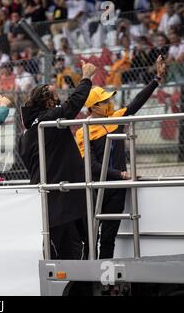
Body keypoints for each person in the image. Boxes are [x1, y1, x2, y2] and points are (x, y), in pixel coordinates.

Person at [75, 56, 166, 259]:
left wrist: (156, 79)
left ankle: (106, 285)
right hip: (95, 188)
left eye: (109, 99)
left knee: (108, 238)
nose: (110, 103)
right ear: (93, 108)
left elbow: (136, 103)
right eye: (105, 101)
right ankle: (89, 281)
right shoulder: (83, 130)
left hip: (116, 188)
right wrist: (122, 174)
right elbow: (91, 166)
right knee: (91, 239)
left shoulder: (115, 118)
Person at [18, 61, 97, 260]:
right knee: (70, 254)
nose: (60, 101)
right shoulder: (48, 120)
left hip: (61, 198)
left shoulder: (27, 133)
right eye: (57, 98)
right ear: (49, 103)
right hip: (62, 201)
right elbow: (72, 106)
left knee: (77, 246)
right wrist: (86, 77)